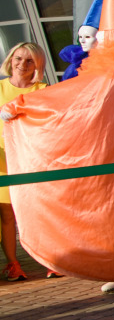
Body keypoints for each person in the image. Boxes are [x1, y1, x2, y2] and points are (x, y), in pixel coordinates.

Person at [0, 43, 47, 280]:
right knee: (7, 214)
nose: (22, 65)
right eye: (18, 58)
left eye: (30, 61)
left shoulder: (43, 89)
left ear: (38, 66)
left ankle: (51, 259)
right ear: (10, 59)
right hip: (2, 158)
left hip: (31, 157)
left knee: (38, 211)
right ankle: (12, 264)